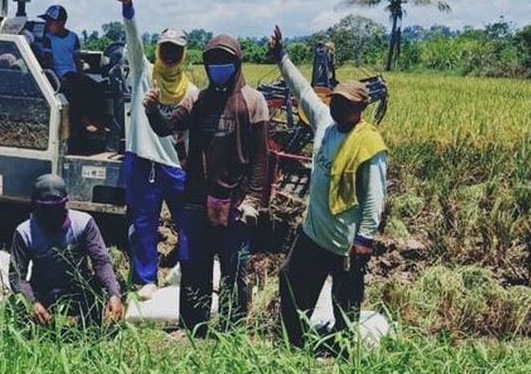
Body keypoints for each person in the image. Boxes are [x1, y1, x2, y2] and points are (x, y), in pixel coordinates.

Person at [268, 25, 388, 352]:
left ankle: (342, 353)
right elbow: (303, 90)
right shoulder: (324, 123)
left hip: (346, 243)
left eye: (346, 104)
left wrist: (364, 241)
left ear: (360, 109)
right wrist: (282, 56)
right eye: (336, 101)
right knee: (291, 282)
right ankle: (294, 345)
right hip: (313, 235)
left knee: (345, 303)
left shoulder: (369, 144)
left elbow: (375, 199)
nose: (337, 107)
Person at [146, 35, 270, 336]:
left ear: (237, 64)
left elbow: (261, 158)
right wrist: (151, 109)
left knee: (234, 272)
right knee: (194, 268)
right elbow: (168, 127)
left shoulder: (254, 101)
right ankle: (193, 327)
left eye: (224, 61)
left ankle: (230, 331)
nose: (218, 67)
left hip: (237, 201)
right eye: (212, 61)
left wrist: (254, 199)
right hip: (198, 199)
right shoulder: (197, 100)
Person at [114, 0, 199, 299]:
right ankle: (144, 279)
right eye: (166, 47)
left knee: (187, 222)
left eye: (176, 50)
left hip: (175, 166)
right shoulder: (144, 72)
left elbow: (190, 134)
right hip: (141, 161)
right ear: (159, 49)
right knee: (144, 223)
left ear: (183, 54)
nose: (170, 53)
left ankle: (189, 273)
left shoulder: (191, 92)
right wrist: (128, 10)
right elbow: (133, 41)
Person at [9, 173, 124, 331]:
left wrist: (114, 294)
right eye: (46, 209)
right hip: (43, 294)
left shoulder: (83, 223)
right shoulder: (24, 232)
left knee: (106, 292)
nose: (51, 215)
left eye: (56, 208)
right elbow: (17, 277)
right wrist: (32, 302)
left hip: (79, 293)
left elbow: (101, 262)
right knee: (16, 306)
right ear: (35, 206)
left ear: (66, 203)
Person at [37, 4, 109, 150]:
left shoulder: (73, 37)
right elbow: (49, 61)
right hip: (59, 75)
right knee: (74, 89)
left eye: (51, 21)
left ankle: (99, 121)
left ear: (62, 22)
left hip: (73, 74)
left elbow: (76, 60)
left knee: (95, 87)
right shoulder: (48, 39)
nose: (48, 24)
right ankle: (85, 121)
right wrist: (58, 78)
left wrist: (82, 76)